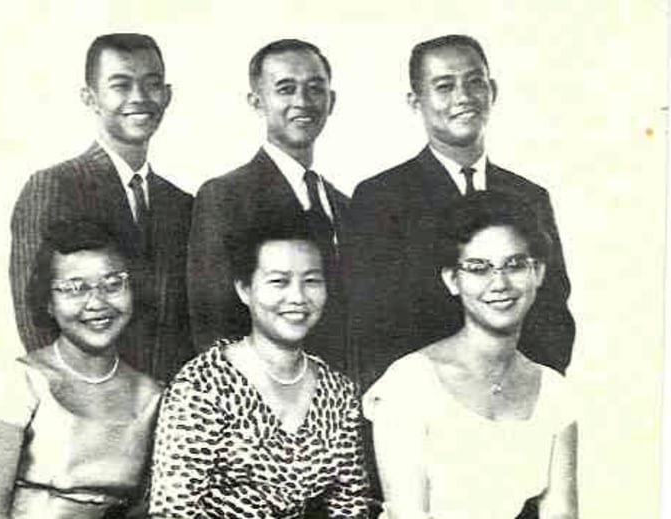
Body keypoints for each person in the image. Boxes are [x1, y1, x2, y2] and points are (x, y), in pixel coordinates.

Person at [349, 34, 574, 389]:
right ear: (415, 101)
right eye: (444, 86)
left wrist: (521, 392)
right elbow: (373, 326)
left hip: (518, 404)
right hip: (425, 403)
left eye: (474, 82)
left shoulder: (529, 196)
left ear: (493, 91)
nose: (464, 97)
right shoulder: (381, 198)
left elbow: (554, 314)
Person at [364, 192, 578, 519]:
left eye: (515, 265)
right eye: (479, 268)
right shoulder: (408, 384)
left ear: (538, 272)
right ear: (453, 279)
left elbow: (561, 514)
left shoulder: (553, 391)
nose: (500, 283)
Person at [149, 216, 370, 519]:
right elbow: (173, 512)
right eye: (278, 281)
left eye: (312, 281)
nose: (297, 297)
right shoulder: (203, 385)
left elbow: (350, 503)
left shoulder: (338, 391)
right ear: (244, 289)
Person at [10, 33, 193, 382]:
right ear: (90, 98)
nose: (139, 98)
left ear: (167, 96)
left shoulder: (182, 205)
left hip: (169, 410)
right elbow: (34, 313)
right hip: (86, 405)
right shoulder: (53, 186)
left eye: (152, 84)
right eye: (120, 85)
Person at [0, 219, 162, 519]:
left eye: (112, 284)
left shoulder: (153, 395)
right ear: (47, 302)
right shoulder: (17, 383)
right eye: (74, 288)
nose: (96, 303)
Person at [187, 38, 353, 376]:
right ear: (257, 101)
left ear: (331, 101)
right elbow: (210, 324)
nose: (302, 102)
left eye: (315, 88)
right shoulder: (224, 197)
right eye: (286, 89)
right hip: (261, 398)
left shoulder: (346, 204)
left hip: (340, 397)